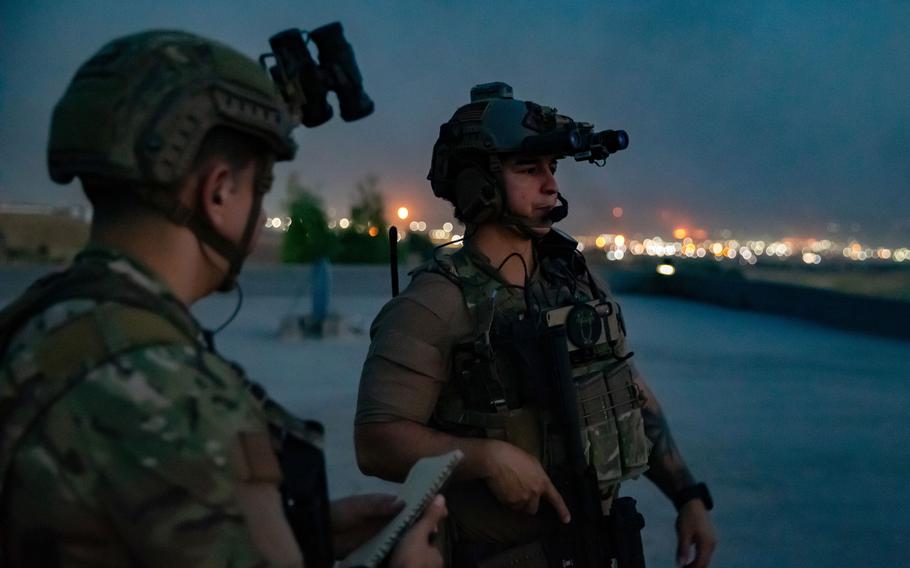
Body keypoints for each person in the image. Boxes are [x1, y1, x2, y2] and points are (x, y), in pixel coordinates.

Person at [0, 30, 446, 567]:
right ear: (217, 194)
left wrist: (304, 535)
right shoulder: (165, 392)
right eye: (260, 188)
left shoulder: (38, 324)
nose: (259, 218)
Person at [355, 82, 716, 567]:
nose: (551, 186)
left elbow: (624, 386)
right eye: (529, 169)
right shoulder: (435, 302)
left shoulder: (573, 279)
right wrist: (484, 458)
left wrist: (687, 494)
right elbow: (376, 443)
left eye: (553, 168)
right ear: (477, 185)